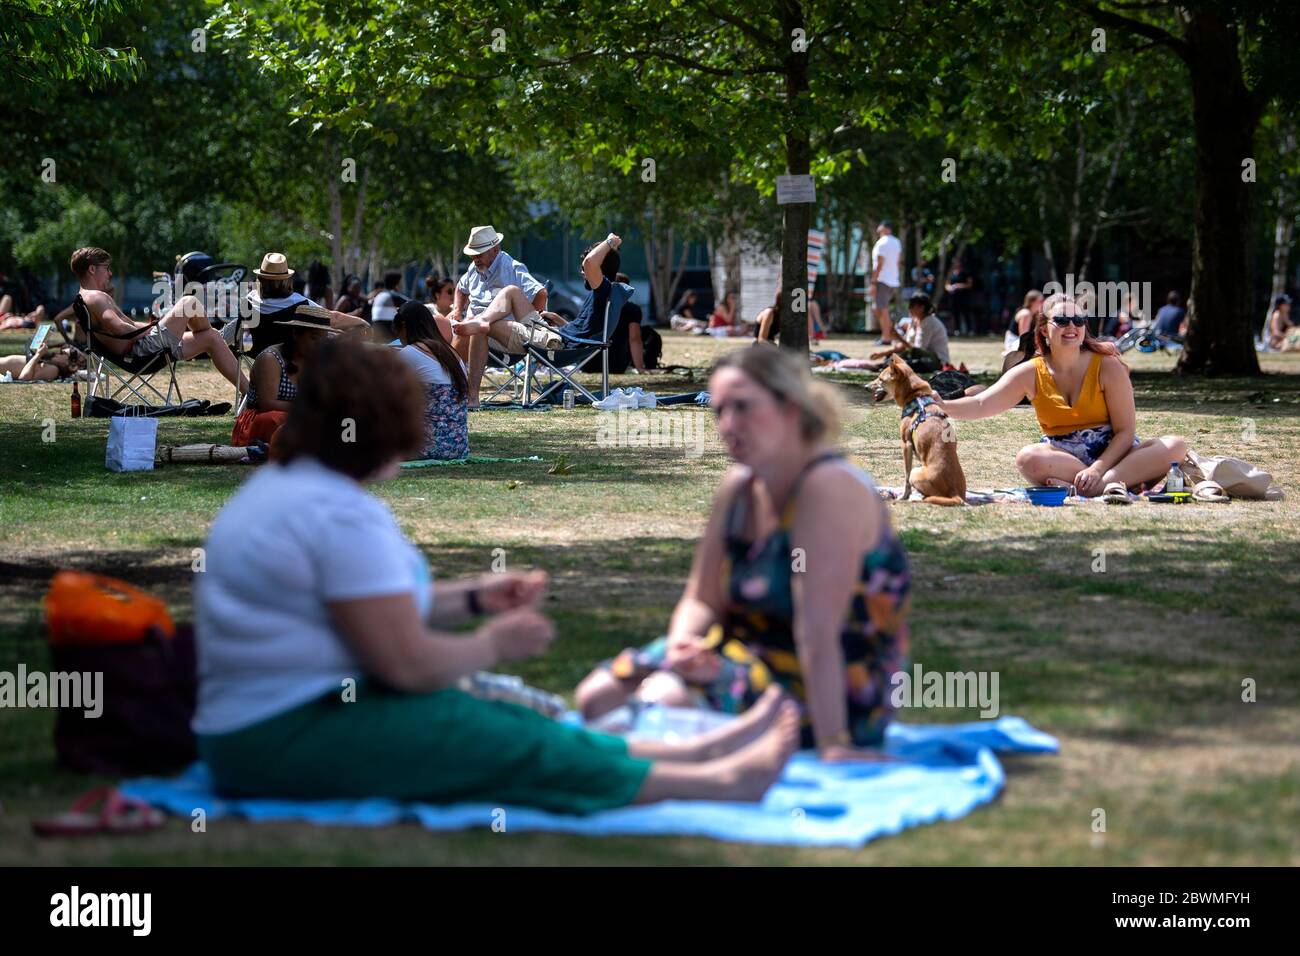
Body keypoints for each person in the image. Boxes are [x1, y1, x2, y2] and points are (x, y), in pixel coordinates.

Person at [193, 340, 800, 812]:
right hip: (290, 736)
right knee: (501, 739)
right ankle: (721, 782)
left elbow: (374, 611)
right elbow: (404, 663)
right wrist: (492, 644)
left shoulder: (282, 491)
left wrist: (478, 597)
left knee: (512, 724)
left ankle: (694, 753)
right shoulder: (338, 514)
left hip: (251, 735)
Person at [576, 346, 912, 755]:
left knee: (665, 700)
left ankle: (683, 761)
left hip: (837, 688)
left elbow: (818, 631)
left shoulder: (826, 488)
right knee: (596, 697)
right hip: (747, 655)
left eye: (744, 408)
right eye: (719, 411)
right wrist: (683, 647)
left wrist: (834, 744)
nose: (729, 424)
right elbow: (702, 598)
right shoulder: (739, 488)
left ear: (789, 408)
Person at [935, 294, 1186, 498]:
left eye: (1078, 320)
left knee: (1175, 446)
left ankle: (1098, 486)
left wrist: (1098, 470)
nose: (1072, 327)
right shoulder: (1030, 372)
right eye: (1063, 320)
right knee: (1028, 458)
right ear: (1044, 329)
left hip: (1116, 456)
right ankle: (1115, 485)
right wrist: (942, 405)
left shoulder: (1107, 365)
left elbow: (1125, 432)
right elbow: (981, 403)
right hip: (1064, 459)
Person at [70, 246, 249, 395]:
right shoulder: (95, 297)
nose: (109, 273)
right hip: (143, 351)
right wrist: (152, 328)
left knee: (211, 337)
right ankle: (222, 336)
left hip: (140, 349)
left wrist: (155, 324)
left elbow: (127, 327)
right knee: (189, 302)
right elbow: (120, 329)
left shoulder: (84, 298)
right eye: (106, 267)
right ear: (92, 269)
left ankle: (250, 393)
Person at [446, 225, 549, 407]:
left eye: (479, 254)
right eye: (473, 254)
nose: (475, 258)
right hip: (470, 329)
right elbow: (461, 290)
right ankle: (446, 388)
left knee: (477, 326)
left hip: (503, 337)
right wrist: (456, 309)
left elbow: (541, 294)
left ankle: (470, 396)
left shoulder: (512, 268)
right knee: (433, 322)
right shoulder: (473, 268)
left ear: (495, 249)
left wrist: (525, 319)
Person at [230, 304, 334, 448]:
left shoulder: (320, 360)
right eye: (314, 338)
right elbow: (268, 404)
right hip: (262, 420)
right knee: (275, 419)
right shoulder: (271, 358)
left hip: (301, 416)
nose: (319, 345)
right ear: (296, 334)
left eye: (323, 340)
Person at [244, 253, 368, 358]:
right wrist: (362, 322)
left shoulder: (249, 300)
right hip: (292, 360)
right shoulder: (298, 302)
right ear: (286, 279)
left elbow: (237, 327)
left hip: (259, 357)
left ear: (260, 278)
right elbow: (333, 319)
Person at [394, 299, 469, 460]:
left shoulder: (409, 353)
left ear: (404, 327)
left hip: (424, 449)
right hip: (458, 447)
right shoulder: (452, 355)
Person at [869, 293, 951, 369]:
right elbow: (905, 345)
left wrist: (899, 338)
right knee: (892, 356)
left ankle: (885, 366)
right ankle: (886, 365)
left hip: (935, 361)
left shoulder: (929, 322)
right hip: (920, 357)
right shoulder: (914, 321)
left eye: (912, 306)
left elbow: (918, 350)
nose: (909, 309)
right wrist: (882, 353)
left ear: (921, 308)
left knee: (903, 361)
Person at [871, 221, 903, 343]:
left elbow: (879, 264)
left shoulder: (881, 243)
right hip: (893, 280)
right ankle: (888, 335)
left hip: (882, 280)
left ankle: (886, 337)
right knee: (880, 309)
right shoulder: (896, 242)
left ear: (883, 228)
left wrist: (873, 282)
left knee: (882, 309)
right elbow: (898, 261)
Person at [613, 272, 648, 374]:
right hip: (616, 365)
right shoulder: (632, 310)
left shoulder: (596, 306)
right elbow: (634, 339)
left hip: (588, 363)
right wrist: (640, 367)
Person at [0, 342, 83, 381]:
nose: (57, 353)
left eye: (62, 353)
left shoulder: (53, 370)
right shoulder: (50, 364)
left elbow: (24, 378)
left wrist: (38, 354)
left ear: (69, 364)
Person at [370, 271, 404, 342]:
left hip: (377, 336)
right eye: (400, 282)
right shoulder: (392, 295)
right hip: (390, 338)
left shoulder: (380, 295)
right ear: (396, 284)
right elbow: (413, 305)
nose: (402, 285)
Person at [1006, 289, 1043, 354]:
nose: (1042, 303)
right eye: (1040, 301)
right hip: (1015, 342)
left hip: (1022, 341)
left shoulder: (1034, 314)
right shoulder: (1026, 314)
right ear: (1032, 302)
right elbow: (1023, 337)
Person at [945, 259, 974, 336]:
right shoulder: (951, 274)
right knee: (955, 314)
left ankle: (970, 330)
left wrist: (959, 286)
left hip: (964, 297)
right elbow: (947, 285)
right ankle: (957, 330)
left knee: (966, 313)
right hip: (954, 298)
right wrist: (950, 288)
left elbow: (970, 284)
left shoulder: (966, 273)